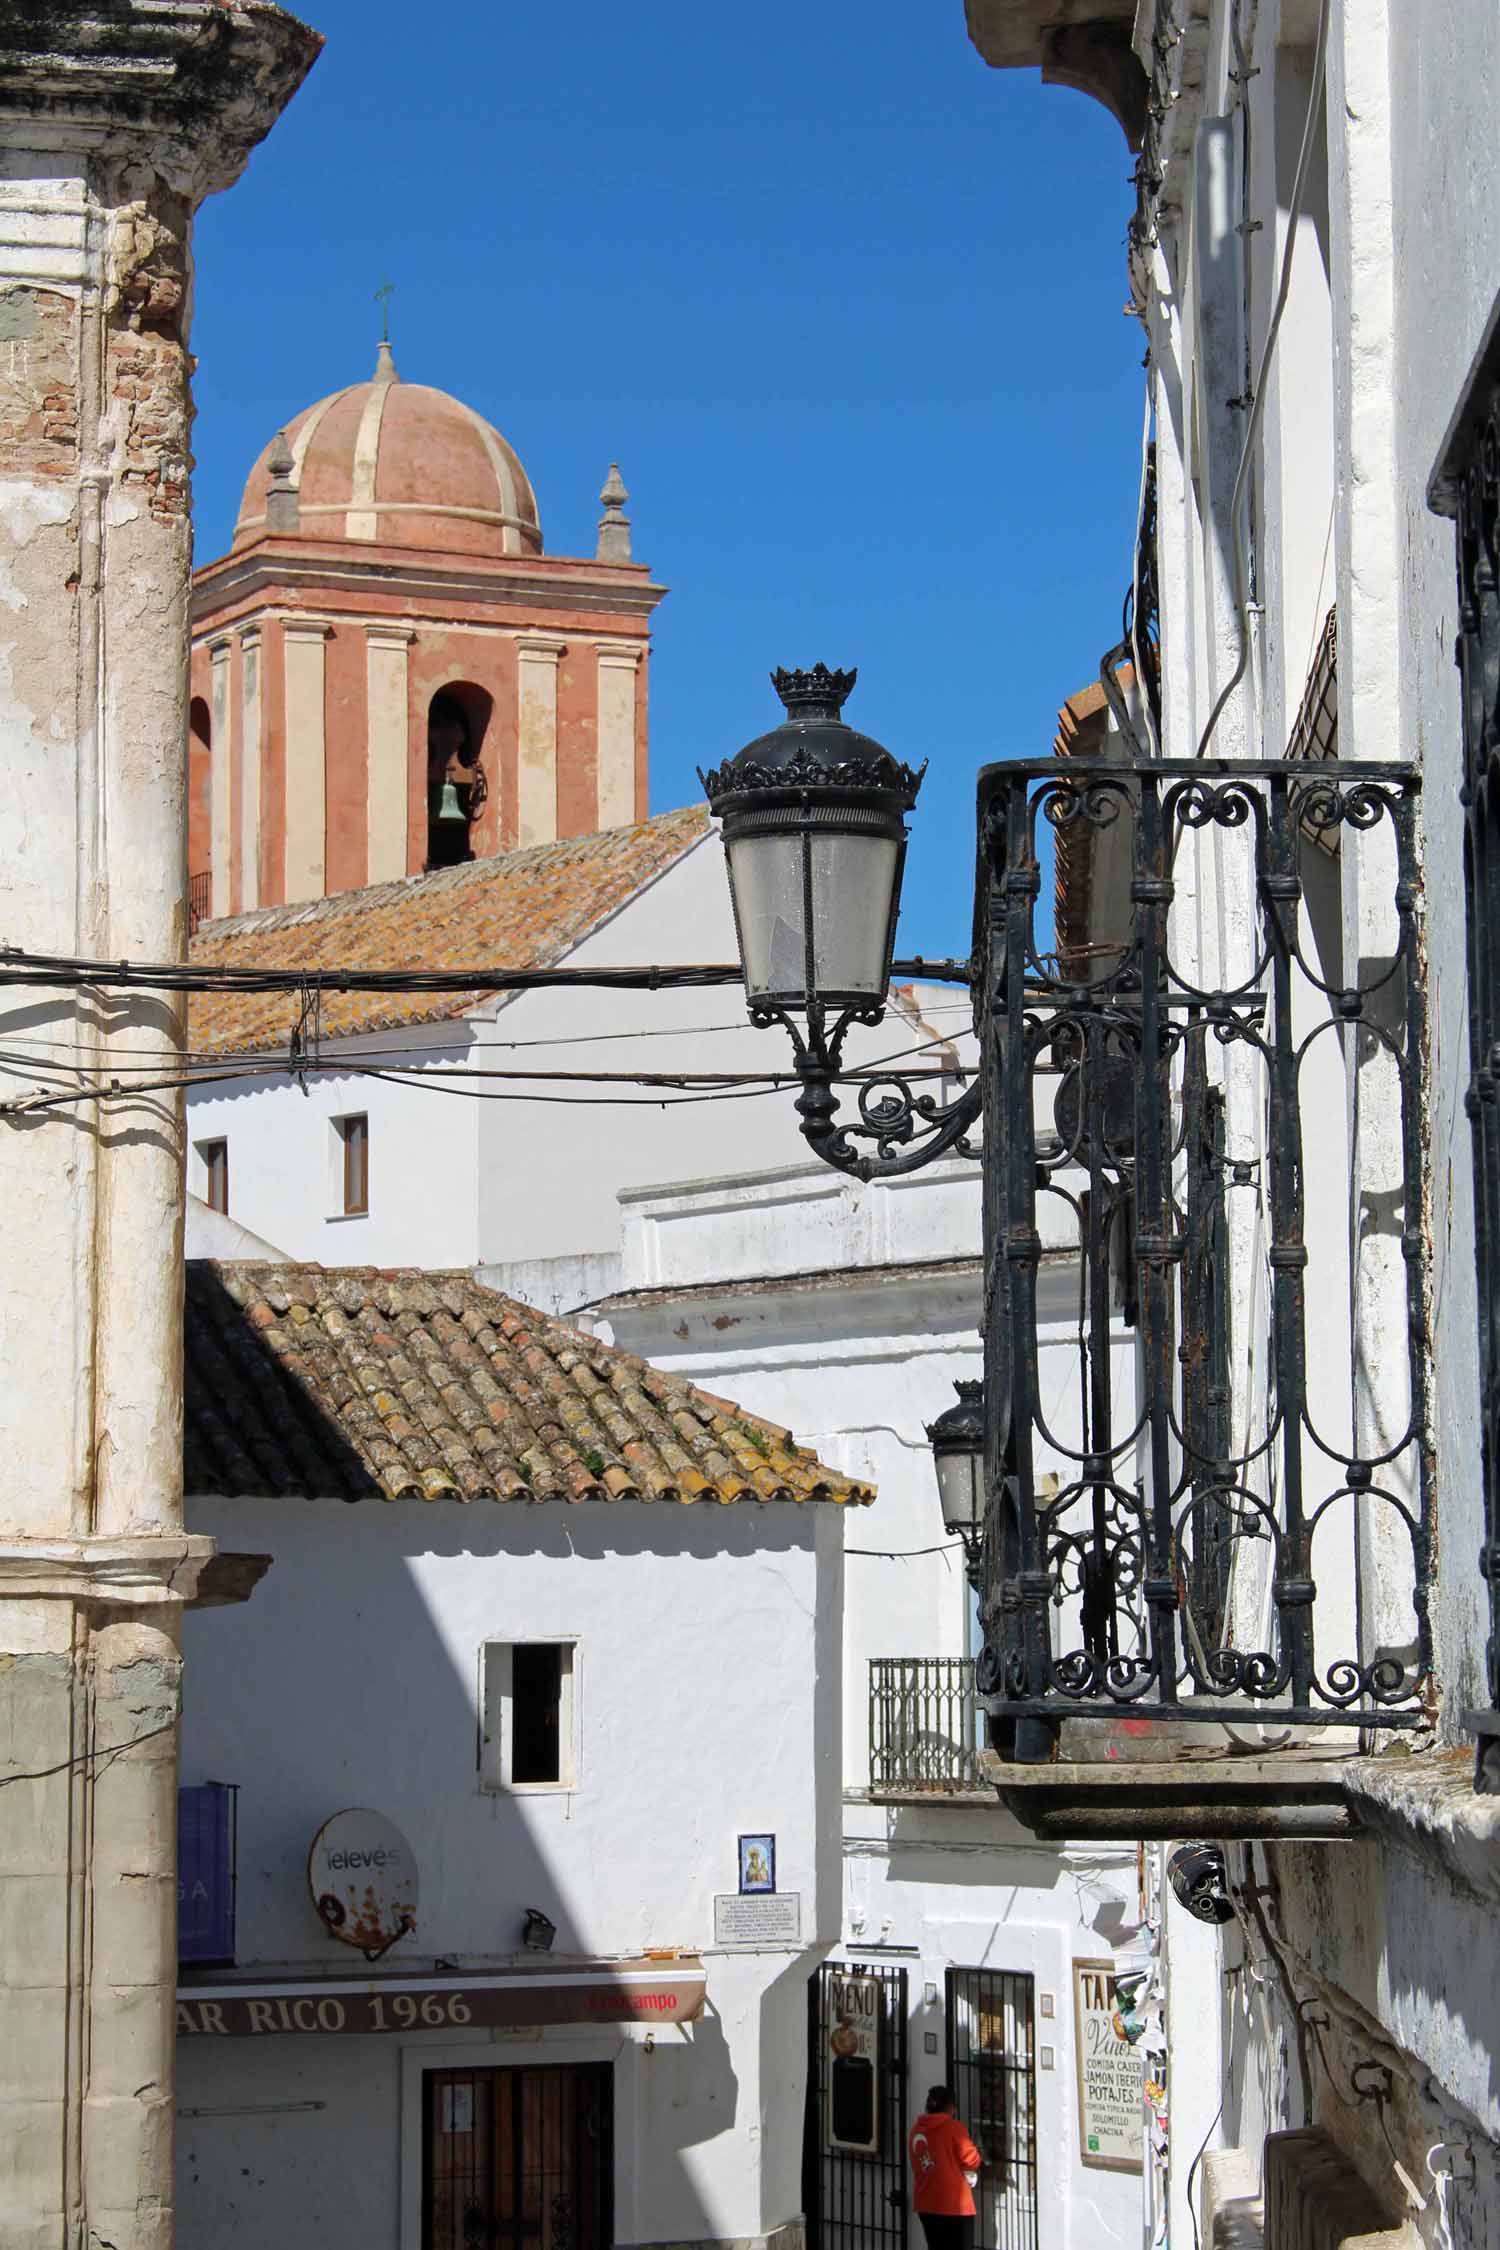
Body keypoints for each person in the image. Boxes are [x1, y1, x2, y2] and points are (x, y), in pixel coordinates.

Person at [907, 2084, 982, 2250]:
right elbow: (972, 2160)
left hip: (926, 2203)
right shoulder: (954, 2129)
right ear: (951, 2107)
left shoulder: (916, 2131)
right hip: (955, 2205)